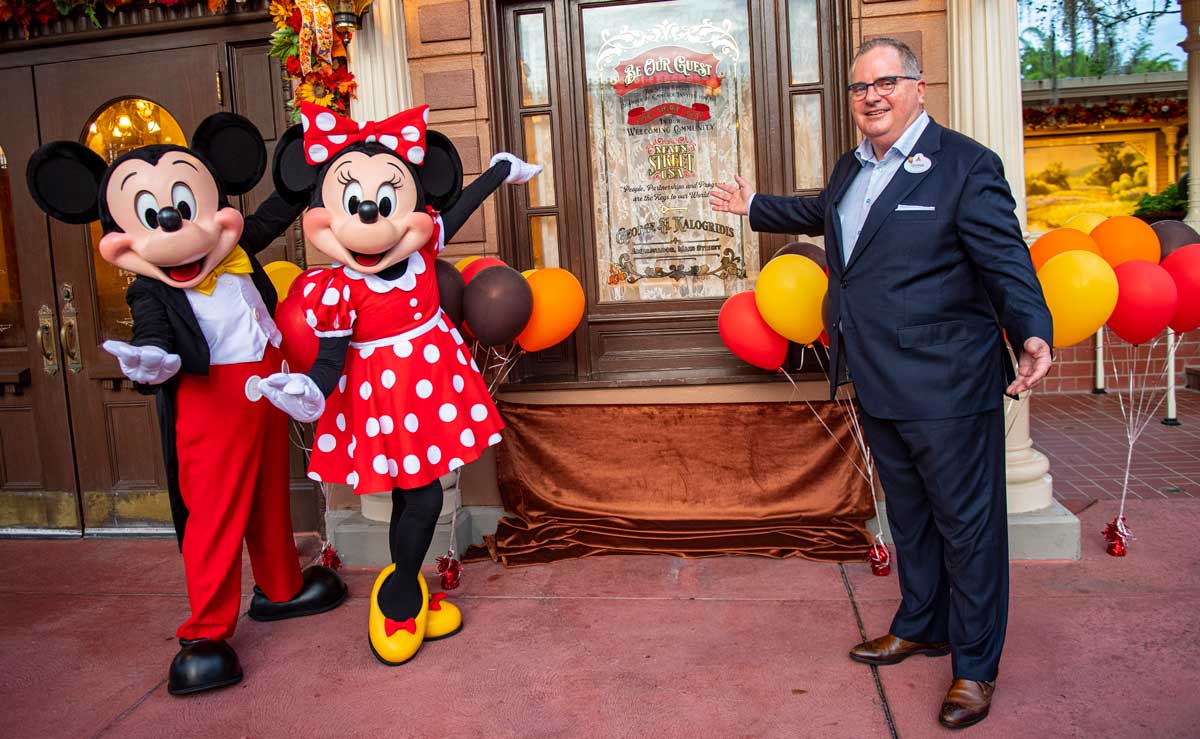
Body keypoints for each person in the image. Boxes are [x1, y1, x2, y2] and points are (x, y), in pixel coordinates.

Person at [710, 38, 1053, 729]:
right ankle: (922, 622)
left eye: (886, 81)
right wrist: (755, 207)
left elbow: (1005, 260)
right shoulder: (851, 167)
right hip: (874, 379)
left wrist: (1033, 330)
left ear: (918, 88)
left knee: (970, 529)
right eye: (860, 86)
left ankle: (975, 666)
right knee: (912, 519)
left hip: (949, 387)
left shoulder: (965, 167)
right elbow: (829, 215)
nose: (872, 95)